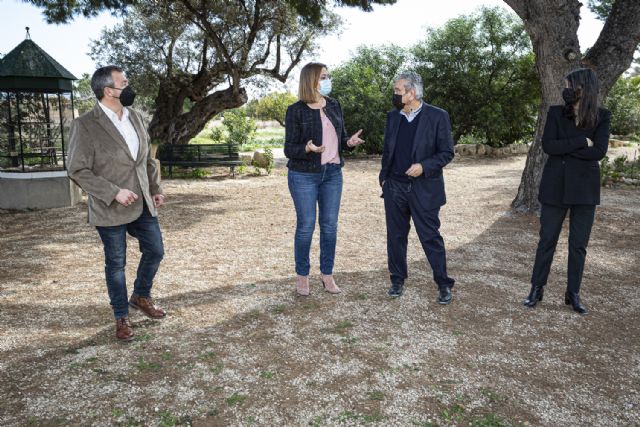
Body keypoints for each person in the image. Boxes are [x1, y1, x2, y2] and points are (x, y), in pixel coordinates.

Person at [68, 65, 167, 341]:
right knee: (116, 264)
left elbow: (146, 159)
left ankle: (141, 296)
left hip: (143, 203)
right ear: (108, 90)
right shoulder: (85, 125)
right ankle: (121, 317)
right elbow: (77, 169)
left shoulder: (135, 117)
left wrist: (155, 188)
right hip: (109, 207)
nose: (129, 87)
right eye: (124, 83)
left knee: (156, 251)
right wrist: (114, 192)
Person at [524, 68, 611, 315]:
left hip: (585, 190)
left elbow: (600, 152)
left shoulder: (602, 116)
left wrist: (568, 149)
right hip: (555, 188)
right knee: (547, 240)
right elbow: (550, 146)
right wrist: (582, 142)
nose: (566, 88)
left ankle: (573, 293)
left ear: (582, 87)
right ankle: (536, 289)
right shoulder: (555, 113)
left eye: (569, 84)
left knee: (578, 245)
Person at [284, 62, 365, 296]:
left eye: (328, 76)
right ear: (311, 80)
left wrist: (349, 143)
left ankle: (327, 275)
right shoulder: (295, 110)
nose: (327, 80)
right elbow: (289, 149)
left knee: (329, 227)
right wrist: (306, 148)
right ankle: (302, 276)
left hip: (332, 175)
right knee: (306, 227)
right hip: (303, 176)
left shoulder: (334, 105)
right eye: (323, 77)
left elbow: (340, 138)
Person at [379, 71, 455, 303]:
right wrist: (384, 178)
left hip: (424, 189)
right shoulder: (393, 117)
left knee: (430, 237)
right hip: (395, 188)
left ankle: (443, 283)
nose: (395, 94)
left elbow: (447, 152)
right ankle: (397, 279)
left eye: (398, 91)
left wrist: (424, 166)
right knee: (396, 236)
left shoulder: (437, 116)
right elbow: (388, 150)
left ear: (412, 93)